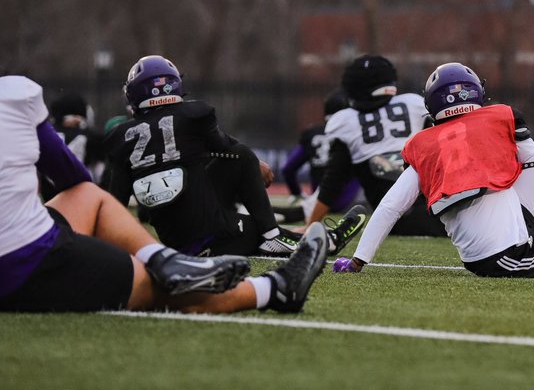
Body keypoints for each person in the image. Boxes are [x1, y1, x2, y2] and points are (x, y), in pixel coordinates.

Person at [0, 74, 328, 315]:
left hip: (167, 222)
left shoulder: (121, 134)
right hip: (20, 261)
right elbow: (71, 177)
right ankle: (273, 289)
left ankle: (168, 258)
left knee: (95, 198)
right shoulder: (15, 95)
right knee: (157, 286)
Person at [331, 62, 534, 279]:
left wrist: (359, 260)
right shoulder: (497, 117)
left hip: (506, 238)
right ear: (475, 92)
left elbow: (390, 207)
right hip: (506, 256)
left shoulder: (425, 144)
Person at [104, 55, 303, 260]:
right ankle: (274, 235)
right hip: (209, 234)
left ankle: (285, 236)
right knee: (244, 160)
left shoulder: (120, 136)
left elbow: (114, 204)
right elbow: (231, 149)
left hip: (173, 241)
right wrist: (255, 162)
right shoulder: (194, 115)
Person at [306, 54, 445, 238]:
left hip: (394, 221)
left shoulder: (346, 121)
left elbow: (333, 182)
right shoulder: (414, 104)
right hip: (440, 214)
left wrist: (311, 225)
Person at [281, 88, 365, 223]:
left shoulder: (313, 133)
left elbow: (288, 169)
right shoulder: (356, 133)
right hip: (350, 203)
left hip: (318, 203)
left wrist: (297, 193)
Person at [48, 91, 105, 180]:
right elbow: (101, 173)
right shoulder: (92, 137)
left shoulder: (44, 136)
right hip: (84, 190)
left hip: (49, 192)